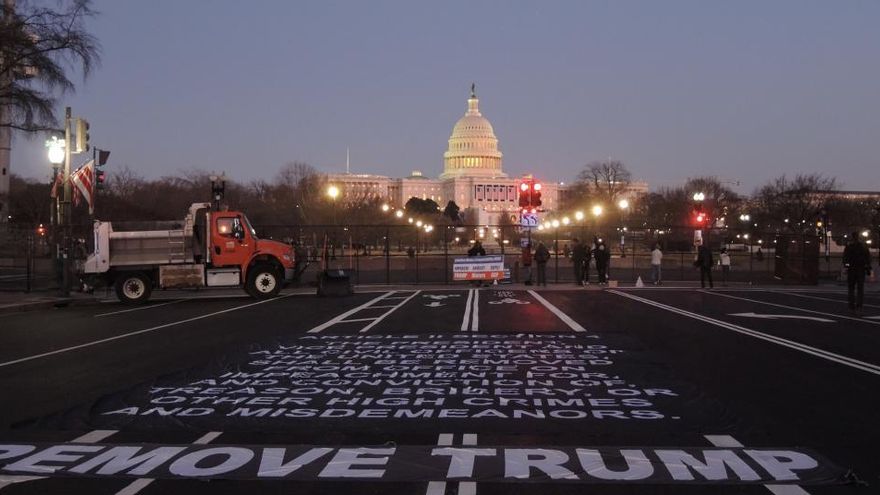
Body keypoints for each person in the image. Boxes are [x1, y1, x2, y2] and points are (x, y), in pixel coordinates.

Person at [843, 231, 872, 313]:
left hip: (852, 269)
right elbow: (867, 258)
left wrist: (846, 266)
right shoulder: (863, 246)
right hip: (860, 269)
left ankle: (851, 305)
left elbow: (845, 258)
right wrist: (868, 268)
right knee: (860, 289)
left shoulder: (849, 246)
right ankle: (859, 305)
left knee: (851, 288)